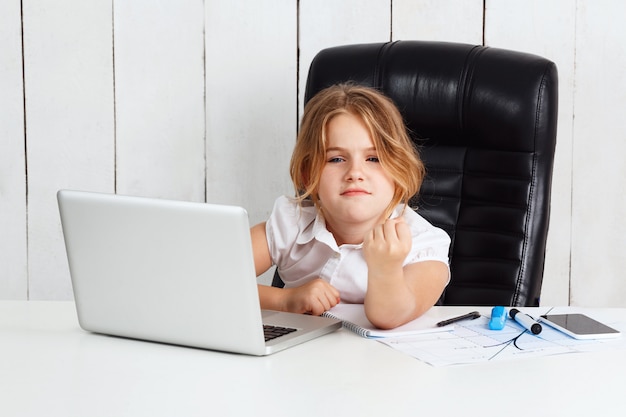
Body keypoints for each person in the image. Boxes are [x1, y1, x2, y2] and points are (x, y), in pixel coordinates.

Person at [250, 83, 450, 329]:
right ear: (307, 173)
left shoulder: (424, 245)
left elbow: (389, 317)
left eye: (373, 158)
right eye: (336, 159)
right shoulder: (291, 223)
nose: (355, 173)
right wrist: (284, 300)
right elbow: (207, 279)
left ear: (399, 172)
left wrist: (385, 268)